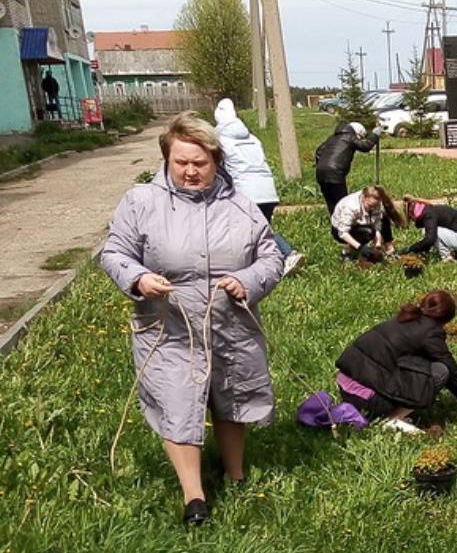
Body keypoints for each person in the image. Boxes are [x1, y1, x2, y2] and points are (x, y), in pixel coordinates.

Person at [100, 112, 283, 526]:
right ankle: (194, 496)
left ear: (216, 161)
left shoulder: (241, 206)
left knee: (231, 393)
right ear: (166, 160)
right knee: (178, 400)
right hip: (168, 326)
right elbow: (114, 253)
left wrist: (247, 280)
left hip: (230, 321)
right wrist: (139, 277)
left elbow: (271, 255)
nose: (189, 171)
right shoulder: (140, 202)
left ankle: (235, 475)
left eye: (199, 163)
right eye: (180, 162)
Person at [335, 290, 457, 433]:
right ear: (445, 319)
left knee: (421, 365)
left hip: (345, 386)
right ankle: (392, 418)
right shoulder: (431, 332)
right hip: (367, 400)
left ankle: (389, 410)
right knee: (441, 372)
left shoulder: (404, 319)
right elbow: (453, 375)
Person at [214, 98, 305, 277]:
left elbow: (219, 169)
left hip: (246, 191)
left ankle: (287, 254)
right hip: (268, 190)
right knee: (258, 228)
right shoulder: (253, 138)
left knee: (254, 229)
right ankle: (267, 262)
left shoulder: (220, 140)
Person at [315, 120, 381, 214]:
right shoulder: (349, 136)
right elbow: (366, 146)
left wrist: (322, 166)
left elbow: (318, 153)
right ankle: (346, 226)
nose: (359, 139)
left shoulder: (332, 138)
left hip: (320, 173)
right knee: (343, 203)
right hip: (335, 173)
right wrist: (375, 134)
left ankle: (335, 225)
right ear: (356, 132)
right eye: (360, 137)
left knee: (331, 202)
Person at [397, 195, 457, 261]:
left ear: (410, 214)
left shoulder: (428, 216)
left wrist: (409, 249)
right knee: (429, 231)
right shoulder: (428, 210)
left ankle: (447, 258)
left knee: (430, 233)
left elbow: (430, 240)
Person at [331, 185, 400, 261]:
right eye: (370, 206)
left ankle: (389, 249)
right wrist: (360, 248)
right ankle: (346, 252)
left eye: (375, 206)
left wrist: (378, 242)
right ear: (364, 198)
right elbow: (342, 233)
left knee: (384, 217)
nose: (373, 208)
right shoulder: (350, 207)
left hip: (361, 222)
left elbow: (377, 223)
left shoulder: (376, 203)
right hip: (339, 230)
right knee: (367, 232)